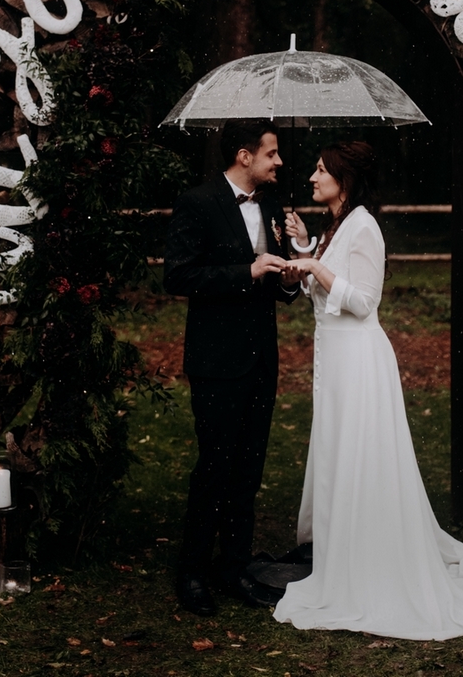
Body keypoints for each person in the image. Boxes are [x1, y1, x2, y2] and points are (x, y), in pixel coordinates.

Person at [273, 141, 463, 640]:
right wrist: (303, 249)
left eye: (320, 171)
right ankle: (344, 552)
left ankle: (371, 563)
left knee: (362, 456)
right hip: (334, 362)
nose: (312, 178)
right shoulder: (337, 226)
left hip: (358, 361)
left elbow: (363, 300)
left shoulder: (364, 226)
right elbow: (323, 288)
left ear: (345, 179)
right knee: (340, 455)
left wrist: (315, 267)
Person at [164, 118, 300, 615]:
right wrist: (246, 271)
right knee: (215, 467)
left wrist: (286, 271)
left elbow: (282, 286)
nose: (279, 162)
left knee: (248, 471)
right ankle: (193, 572)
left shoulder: (270, 205)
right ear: (244, 156)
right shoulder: (198, 202)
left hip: (262, 359)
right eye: (271, 153)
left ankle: (235, 566)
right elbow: (178, 275)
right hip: (217, 362)